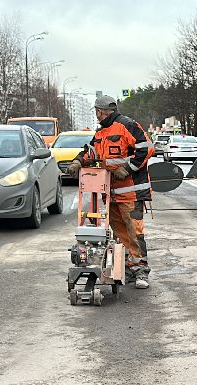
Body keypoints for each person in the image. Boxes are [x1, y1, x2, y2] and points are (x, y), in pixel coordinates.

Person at [67, 95, 154, 288]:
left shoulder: (127, 125)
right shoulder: (101, 133)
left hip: (131, 192)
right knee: (120, 233)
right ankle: (129, 268)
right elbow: (90, 152)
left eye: (97, 112)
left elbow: (146, 148)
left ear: (100, 111)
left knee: (134, 232)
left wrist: (128, 168)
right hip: (111, 192)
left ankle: (141, 270)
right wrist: (78, 162)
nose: (97, 115)